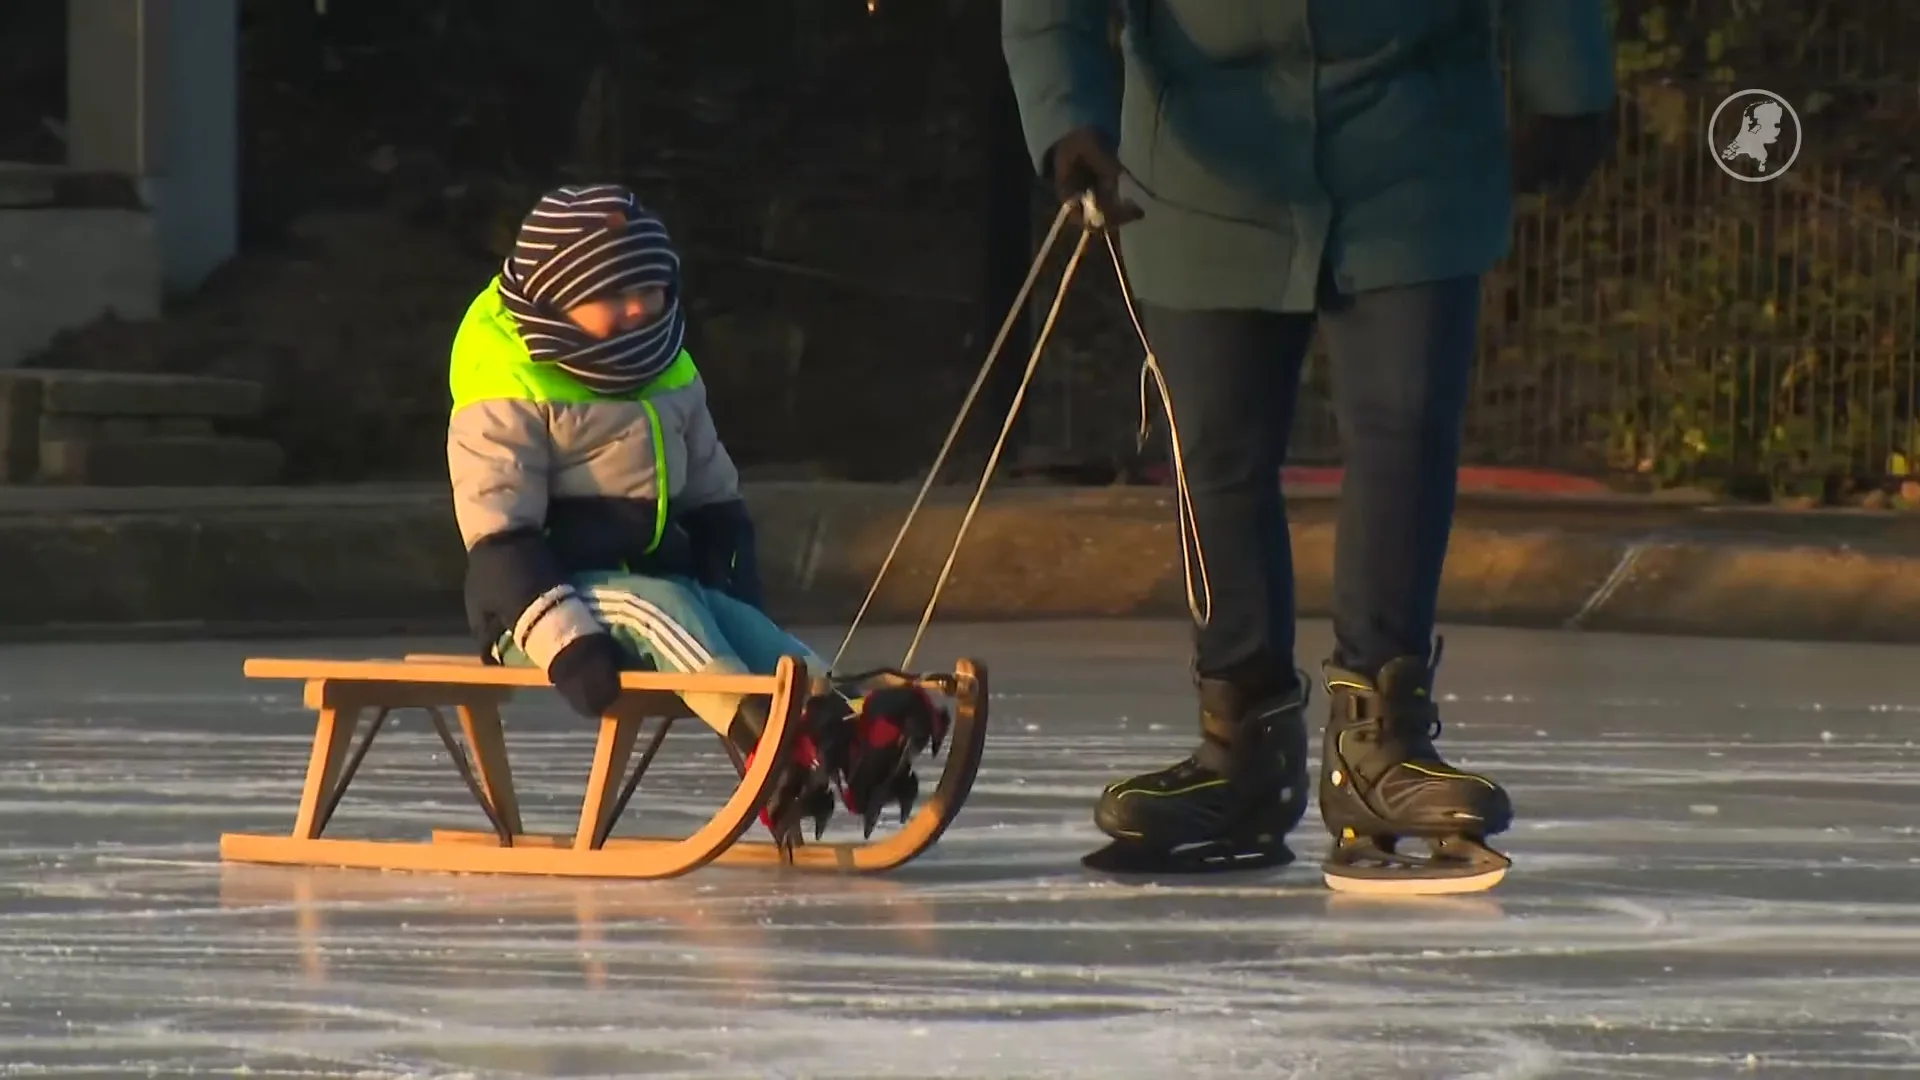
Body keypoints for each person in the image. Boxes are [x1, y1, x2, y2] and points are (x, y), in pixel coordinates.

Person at [1002, 2, 1616, 890]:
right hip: (1199, 165)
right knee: (1215, 448)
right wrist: (1067, 119)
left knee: (1406, 422)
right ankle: (1239, 745)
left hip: (1413, 142)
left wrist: (1569, 81)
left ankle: (1381, 742)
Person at [444, 183, 940, 845]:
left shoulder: (667, 365)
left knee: (758, 641)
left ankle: (846, 727)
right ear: (556, 297)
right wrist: (569, 647)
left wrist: (735, 595)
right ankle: (769, 740)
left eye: (646, 292)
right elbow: (501, 534)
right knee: (662, 609)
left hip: (660, 590)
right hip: (543, 605)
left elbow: (713, 495)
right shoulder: (507, 382)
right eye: (608, 297)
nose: (632, 311)